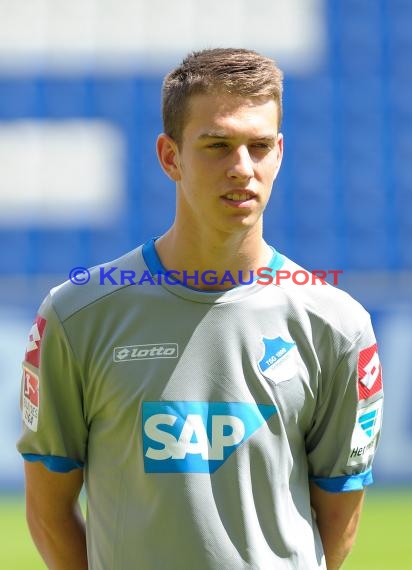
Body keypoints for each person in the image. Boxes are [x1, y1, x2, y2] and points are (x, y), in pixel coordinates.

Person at [17, 48, 383, 570]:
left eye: (259, 147)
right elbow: (48, 510)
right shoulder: (77, 316)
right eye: (217, 145)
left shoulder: (336, 324)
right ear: (170, 157)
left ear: (279, 153)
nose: (242, 168)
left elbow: (339, 516)